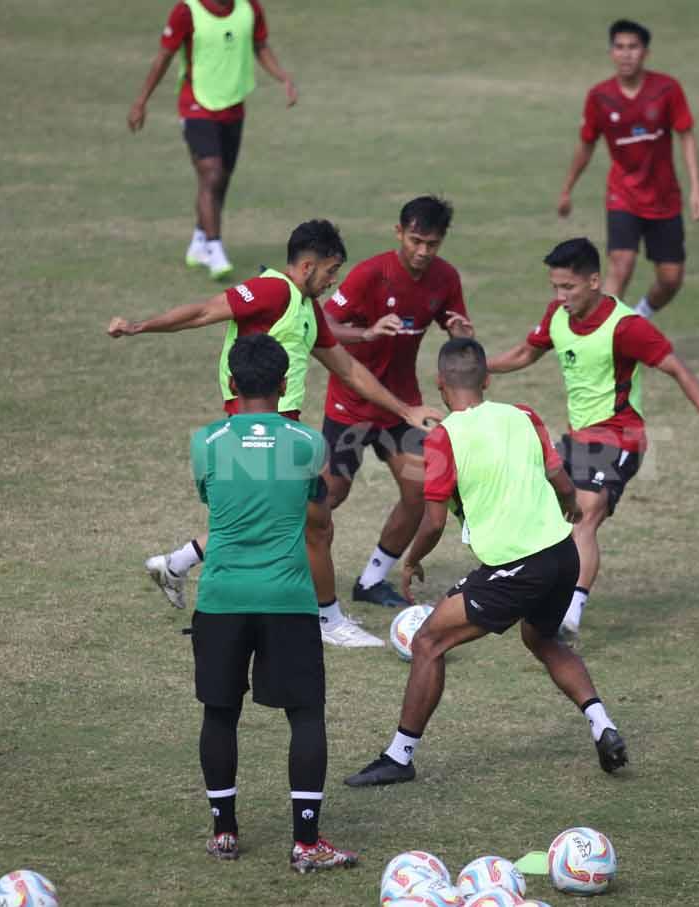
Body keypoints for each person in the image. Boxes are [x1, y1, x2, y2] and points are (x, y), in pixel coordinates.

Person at [107, 219, 442, 648]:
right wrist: (141, 326)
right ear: (307, 265)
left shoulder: (305, 307)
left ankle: (176, 563)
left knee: (272, 518)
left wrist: (404, 409)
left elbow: (348, 367)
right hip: (258, 430)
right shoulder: (272, 290)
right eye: (330, 270)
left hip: (283, 431)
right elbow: (205, 311)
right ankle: (327, 620)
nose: (333, 280)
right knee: (315, 525)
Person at [344, 339, 627, 787]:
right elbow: (560, 479)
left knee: (427, 643)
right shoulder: (523, 415)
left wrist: (411, 561)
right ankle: (602, 724)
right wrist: (570, 505)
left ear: (440, 385)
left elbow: (434, 521)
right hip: (562, 554)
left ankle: (399, 757)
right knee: (543, 639)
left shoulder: (443, 438)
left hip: (516, 568)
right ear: (488, 379)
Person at [486, 238, 699, 643]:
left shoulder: (626, 327)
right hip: (577, 437)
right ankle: (543, 594)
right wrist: (479, 364)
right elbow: (524, 354)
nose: (560, 296)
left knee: (585, 513)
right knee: (546, 510)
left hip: (621, 436)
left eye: (569, 287)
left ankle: (570, 614)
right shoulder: (557, 316)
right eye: (555, 287)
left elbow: (678, 369)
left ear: (595, 281)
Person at [187, 334, 358, 871]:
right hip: (288, 599)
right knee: (305, 714)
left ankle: (224, 834)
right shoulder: (308, 444)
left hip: (222, 597)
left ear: (232, 385)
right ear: (284, 385)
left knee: (221, 712)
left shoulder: (206, 442)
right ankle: (306, 844)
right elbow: (319, 513)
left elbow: (212, 501)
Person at [321, 196, 474, 610]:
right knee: (329, 496)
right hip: (351, 406)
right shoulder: (370, 274)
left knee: (421, 490)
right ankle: (300, 574)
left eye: (433, 243)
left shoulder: (445, 278)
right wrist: (368, 332)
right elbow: (324, 325)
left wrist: (460, 333)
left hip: (402, 408)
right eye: (416, 240)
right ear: (399, 233)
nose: (423, 251)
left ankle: (371, 580)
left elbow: (455, 328)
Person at [127, 0, 298, 279]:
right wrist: (141, 101)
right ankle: (215, 250)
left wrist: (283, 78)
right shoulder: (187, 11)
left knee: (222, 180)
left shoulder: (249, 8)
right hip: (196, 103)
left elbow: (260, 46)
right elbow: (164, 57)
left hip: (233, 106)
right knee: (212, 173)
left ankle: (199, 240)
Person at [556, 19, 699, 319]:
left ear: (646, 53)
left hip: (665, 198)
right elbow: (586, 144)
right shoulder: (600, 96)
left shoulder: (666, 90)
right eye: (620, 47)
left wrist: (696, 189)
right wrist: (568, 188)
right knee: (620, 264)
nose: (626, 54)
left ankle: (640, 315)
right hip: (623, 194)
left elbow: (685, 134)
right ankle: (602, 335)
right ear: (611, 52)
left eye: (633, 47)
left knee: (671, 278)